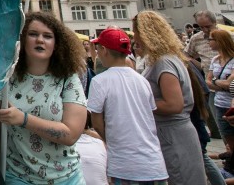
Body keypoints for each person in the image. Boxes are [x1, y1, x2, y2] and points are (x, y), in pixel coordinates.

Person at [0, 12, 87, 185]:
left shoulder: (67, 79)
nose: (40, 40)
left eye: (47, 36)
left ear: (56, 45)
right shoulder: (4, 78)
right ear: (23, 40)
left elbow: (71, 134)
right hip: (17, 178)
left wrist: (23, 119)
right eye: (33, 34)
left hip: (67, 178)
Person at [132, 10, 205, 185]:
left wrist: (138, 104)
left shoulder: (164, 62)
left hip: (173, 134)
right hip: (172, 132)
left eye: (135, 32)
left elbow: (174, 105)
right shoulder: (166, 59)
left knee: (180, 178)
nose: (135, 38)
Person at [86, 27, 168, 183]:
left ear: (104, 50)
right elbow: (150, 114)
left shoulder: (100, 81)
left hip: (125, 165)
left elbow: (96, 122)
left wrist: (111, 140)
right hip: (154, 162)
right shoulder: (142, 80)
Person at [187, 10, 224, 138]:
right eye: (201, 27)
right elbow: (187, 56)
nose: (205, 30)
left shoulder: (226, 36)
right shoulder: (196, 39)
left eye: (208, 26)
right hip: (210, 85)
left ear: (215, 22)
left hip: (229, 84)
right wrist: (200, 66)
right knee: (220, 124)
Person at [208, 28, 234, 172]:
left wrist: (216, 82)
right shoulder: (215, 60)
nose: (209, 42)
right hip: (219, 102)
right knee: (226, 135)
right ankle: (230, 161)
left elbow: (230, 84)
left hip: (231, 103)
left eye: (211, 40)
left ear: (220, 41)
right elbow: (208, 81)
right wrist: (220, 83)